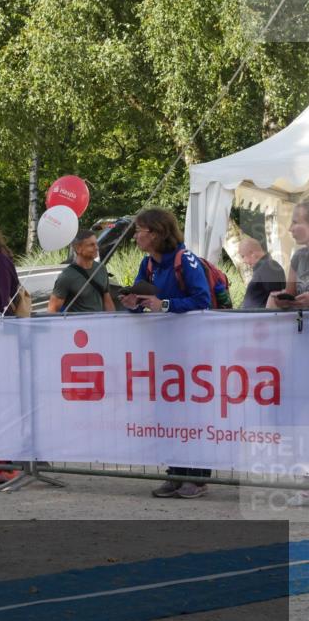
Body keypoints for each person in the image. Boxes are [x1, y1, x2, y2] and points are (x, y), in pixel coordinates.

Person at [119, 208, 211, 499]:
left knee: (191, 413)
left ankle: (196, 478)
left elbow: (202, 298)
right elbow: (142, 300)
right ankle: (175, 473)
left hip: (191, 350)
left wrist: (166, 305)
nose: (135, 236)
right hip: (162, 351)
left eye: (139, 231)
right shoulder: (148, 264)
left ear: (156, 233)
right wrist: (132, 302)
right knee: (167, 411)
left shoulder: (186, 260)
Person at [47, 230, 116, 313]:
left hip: (98, 324)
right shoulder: (66, 276)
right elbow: (52, 310)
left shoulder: (101, 269)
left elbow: (107, 301)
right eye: (91, 245)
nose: (97, 247)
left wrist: (113, 320)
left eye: (96, 244)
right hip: (77, 325)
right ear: (78, 248)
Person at [267, 201, 309, 311]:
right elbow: (291, 294)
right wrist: (283, 301)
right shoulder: (298, 257)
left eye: (295, 222)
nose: (290, 228)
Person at [238, 238, 286, 309]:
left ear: (252, 253)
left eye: (243, 256)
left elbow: (277, 300)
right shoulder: (266, 267)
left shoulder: (268, 267)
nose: (243, 261)